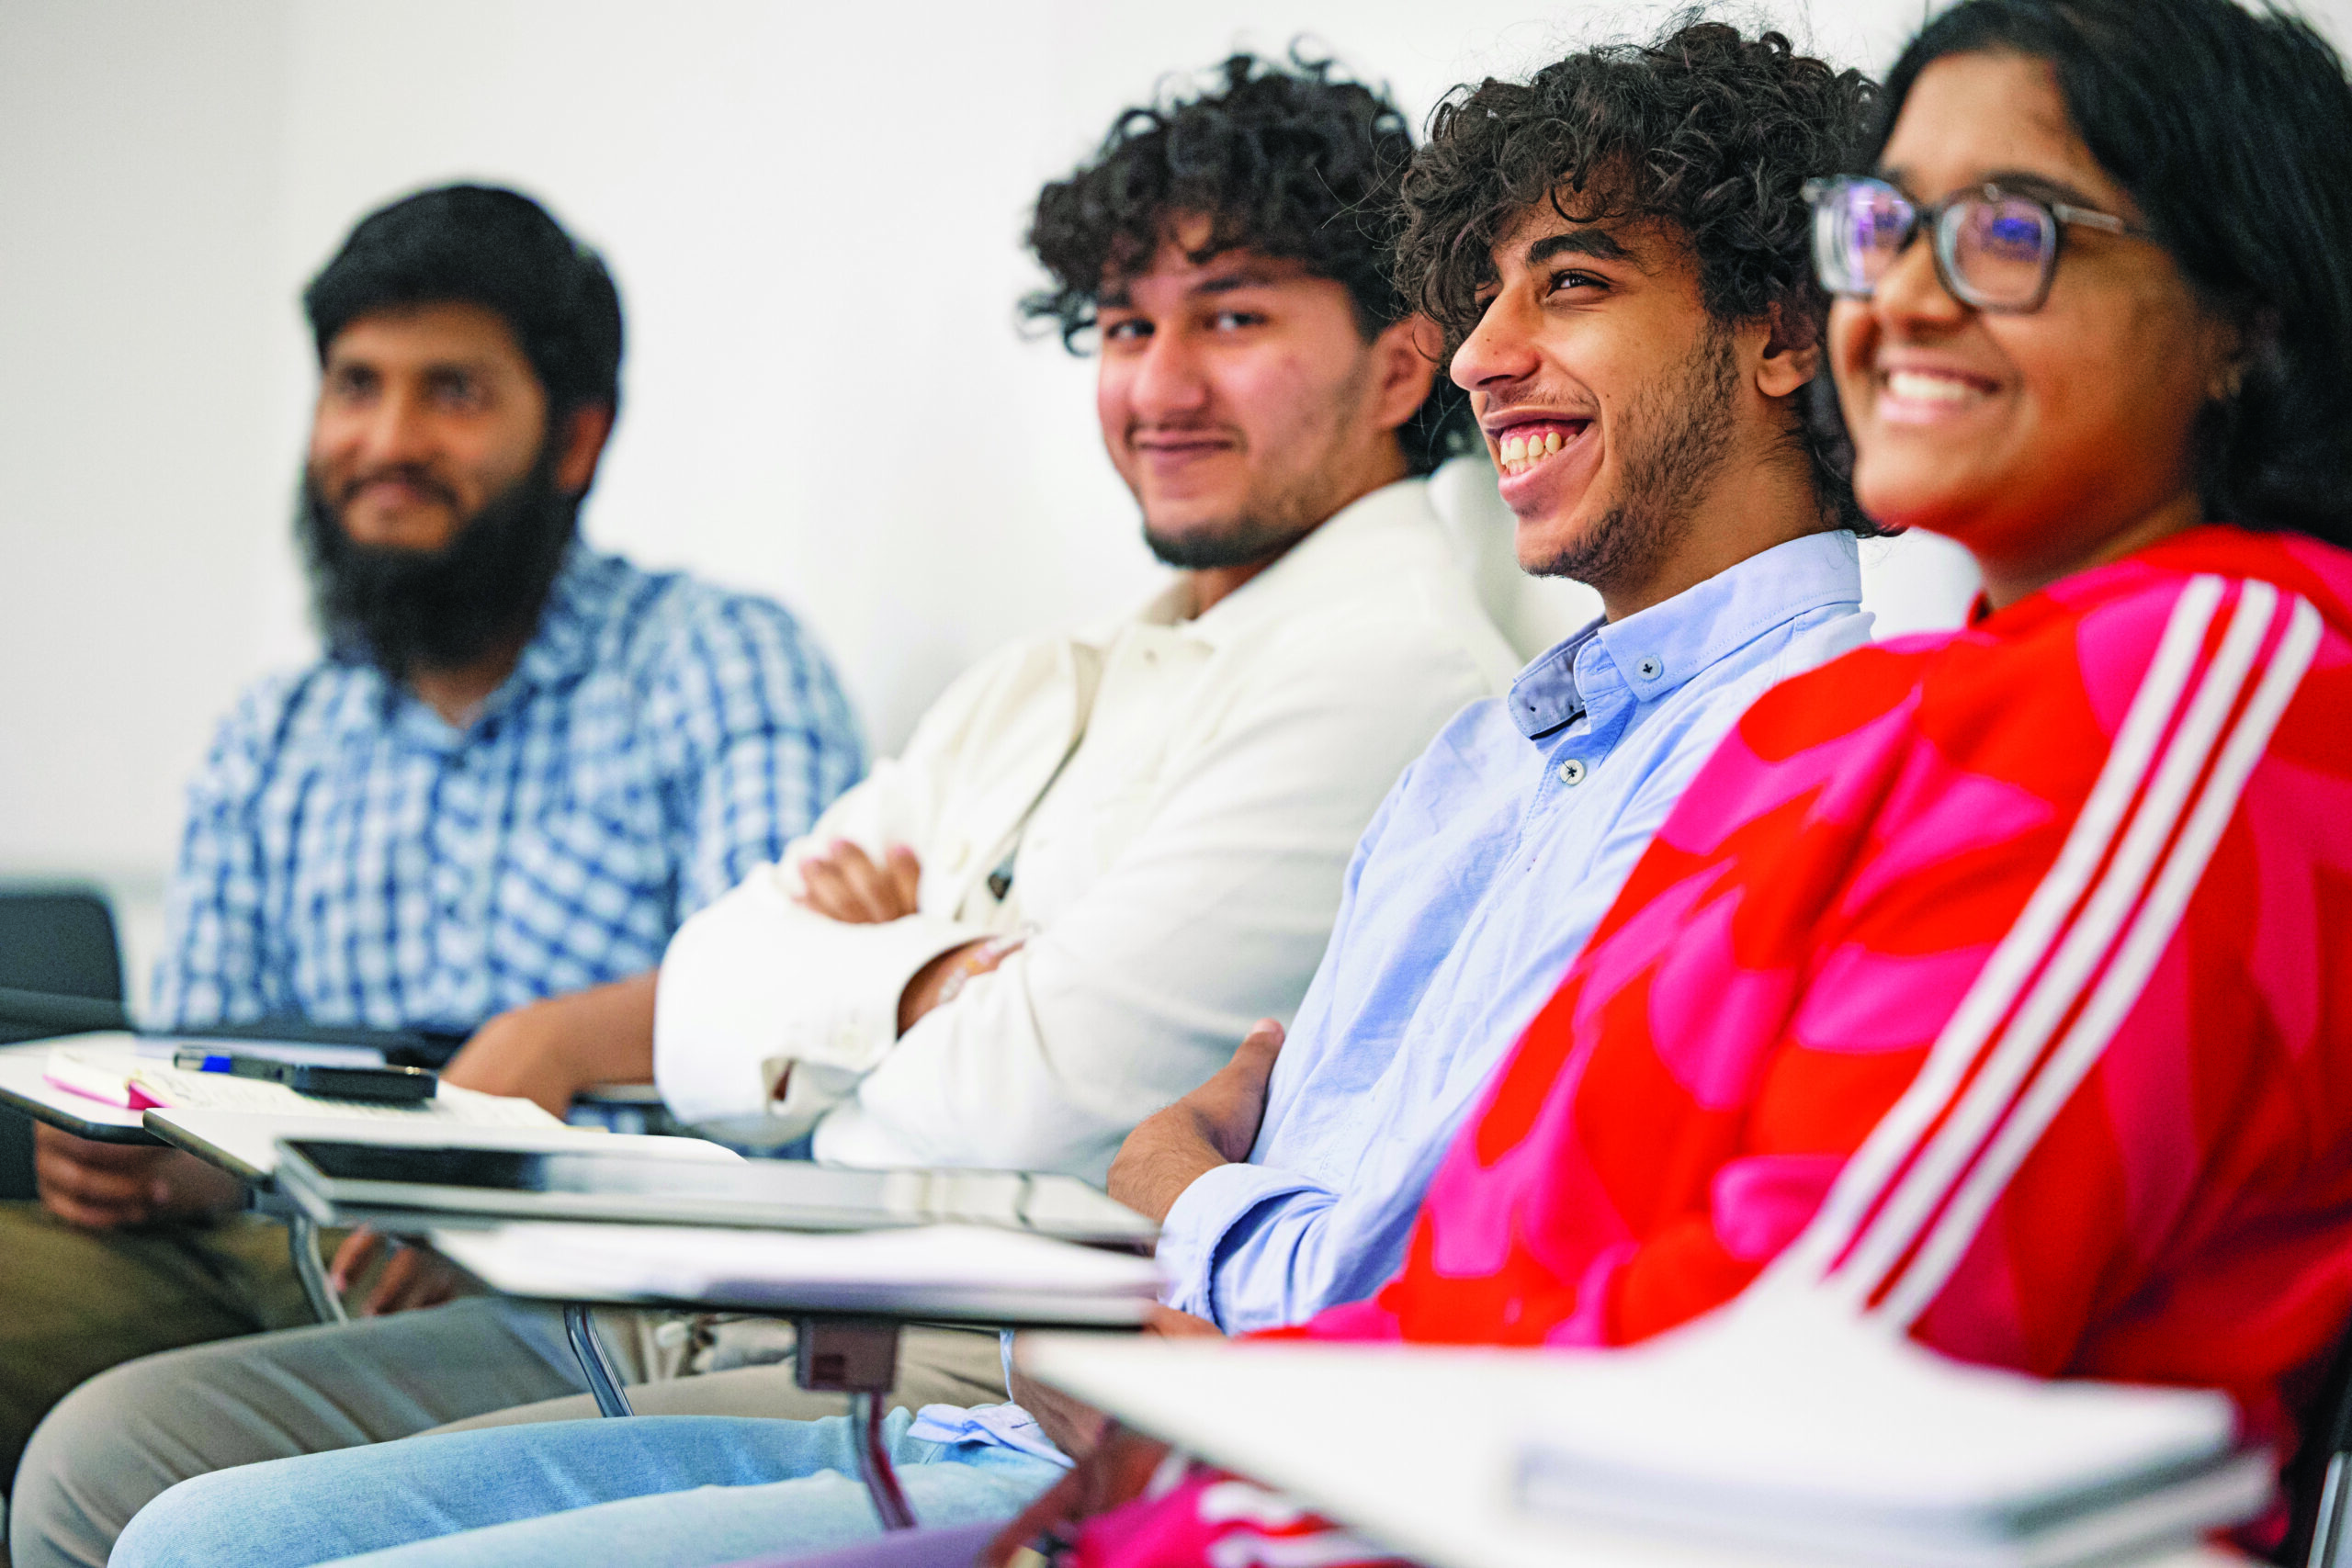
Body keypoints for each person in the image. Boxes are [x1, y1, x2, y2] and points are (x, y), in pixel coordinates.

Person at [96, 21, 1895, 1568]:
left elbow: (1345, 1250)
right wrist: (990, 1001)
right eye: (1119, 323)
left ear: (1774, 334)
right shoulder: (1485, 750)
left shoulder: (1791, 745)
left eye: (1564, 285)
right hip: (1037, 1398)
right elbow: (748, 991)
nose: (1497, 347)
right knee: (189, 1524)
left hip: (1127, 1429)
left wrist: (1171, 1175)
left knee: (184, 1518)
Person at [956, 0, 2352, 1562]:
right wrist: (1195, 1437)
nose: (1893, 298)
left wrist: (1199, 1420)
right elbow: (1522, 1266)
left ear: (2252, 317)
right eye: (1880, 232)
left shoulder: (2206, 666)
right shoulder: (1888, 723)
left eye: (2007, 228)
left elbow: (1809, 1358)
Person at [0, 182, 863, 1506]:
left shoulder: (718, 663)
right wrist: (160, 1155)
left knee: (103, 1450)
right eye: (355, 385)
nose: (385, 439)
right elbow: (201, 1064)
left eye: (451, 391)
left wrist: (551, 1064)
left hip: (589, 1281)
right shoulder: (274, 734)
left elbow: (807, 1025)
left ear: (575, 438)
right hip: (273, 1249)